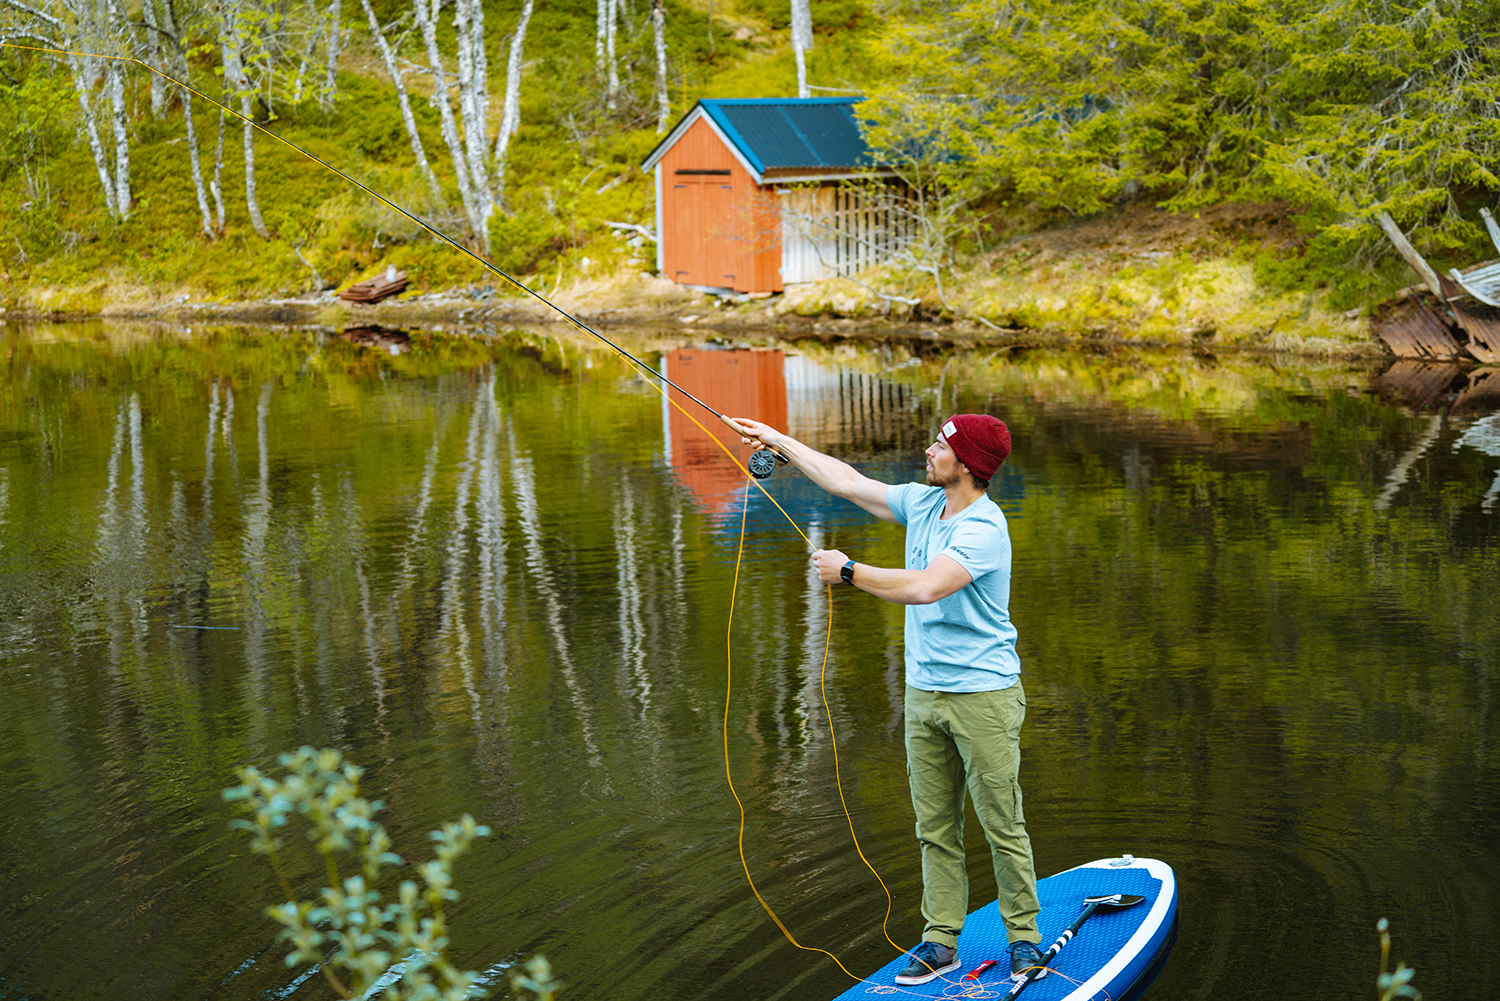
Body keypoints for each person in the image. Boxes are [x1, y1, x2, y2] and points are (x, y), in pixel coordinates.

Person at [729, 412, 1045, 986]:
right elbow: (846, 481)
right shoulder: (923, 504)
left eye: (940, 445)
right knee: (934, 826)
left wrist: (849, 571)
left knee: (1002, 824)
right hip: (924, 695)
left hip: (984, 697)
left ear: (968, 464)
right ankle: (941, 940)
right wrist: (778, 441)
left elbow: (926, 586)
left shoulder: (983, 528)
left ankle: (1024, 940)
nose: (928, 451)